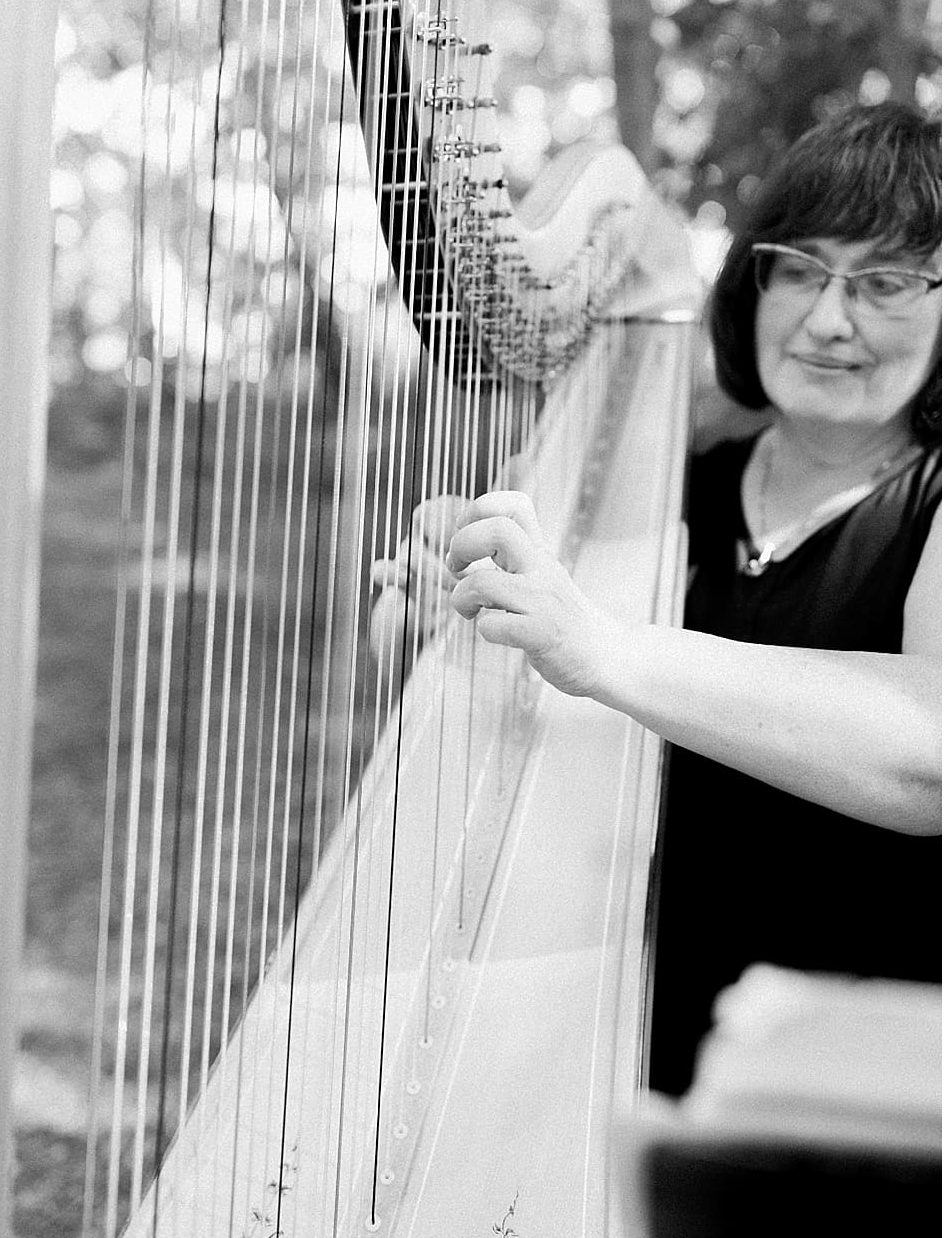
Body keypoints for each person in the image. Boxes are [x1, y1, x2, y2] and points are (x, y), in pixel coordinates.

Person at [374, 102, 941, 1096]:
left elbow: (927, 752)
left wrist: (600, 647)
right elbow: (432, 688)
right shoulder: (656, 473)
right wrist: (439, 619)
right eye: (799, 268)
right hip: (609, 1038)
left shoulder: (931, 505)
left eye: (884, 282)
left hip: (856, 1096)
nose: (827, 319)